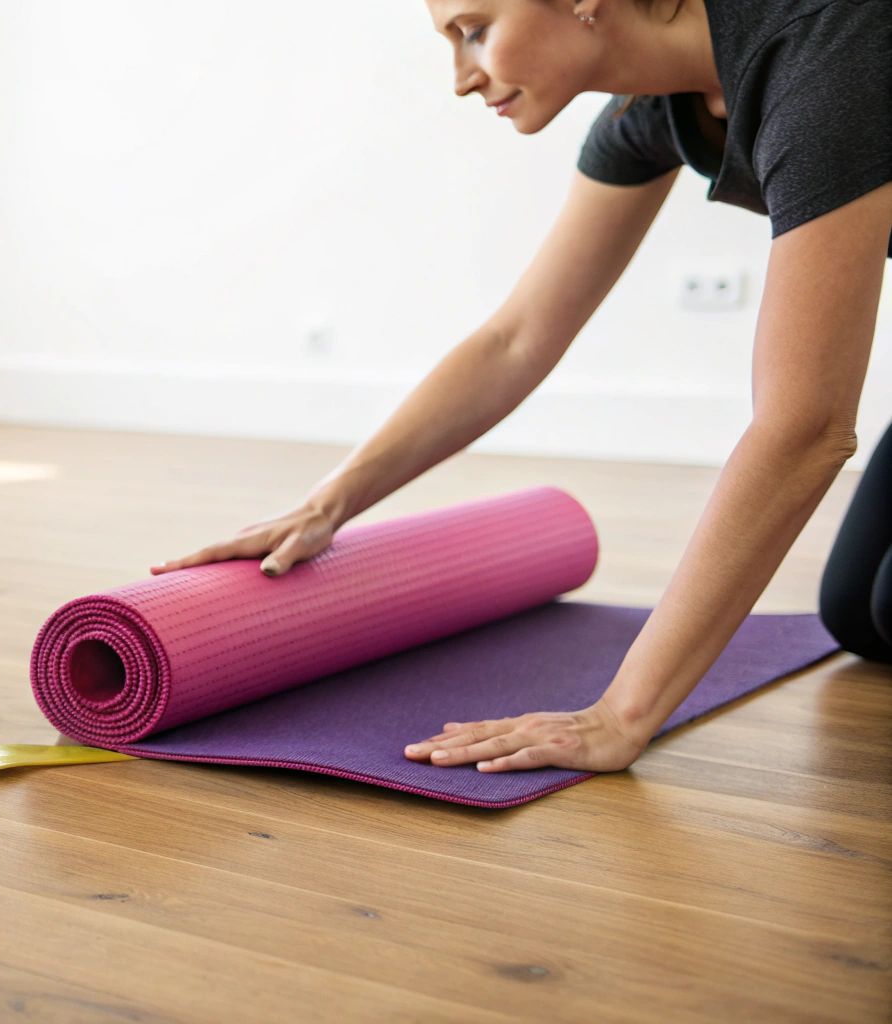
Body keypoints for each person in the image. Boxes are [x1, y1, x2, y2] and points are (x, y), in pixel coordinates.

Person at [150, 0, 892, 775]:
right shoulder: (657, 111)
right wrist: (325, 506)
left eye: (475, 30)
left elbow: (804, 427)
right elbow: (517, 339)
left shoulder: (823, 52)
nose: (462, 79)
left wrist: (621, 715)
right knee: (862, 616)